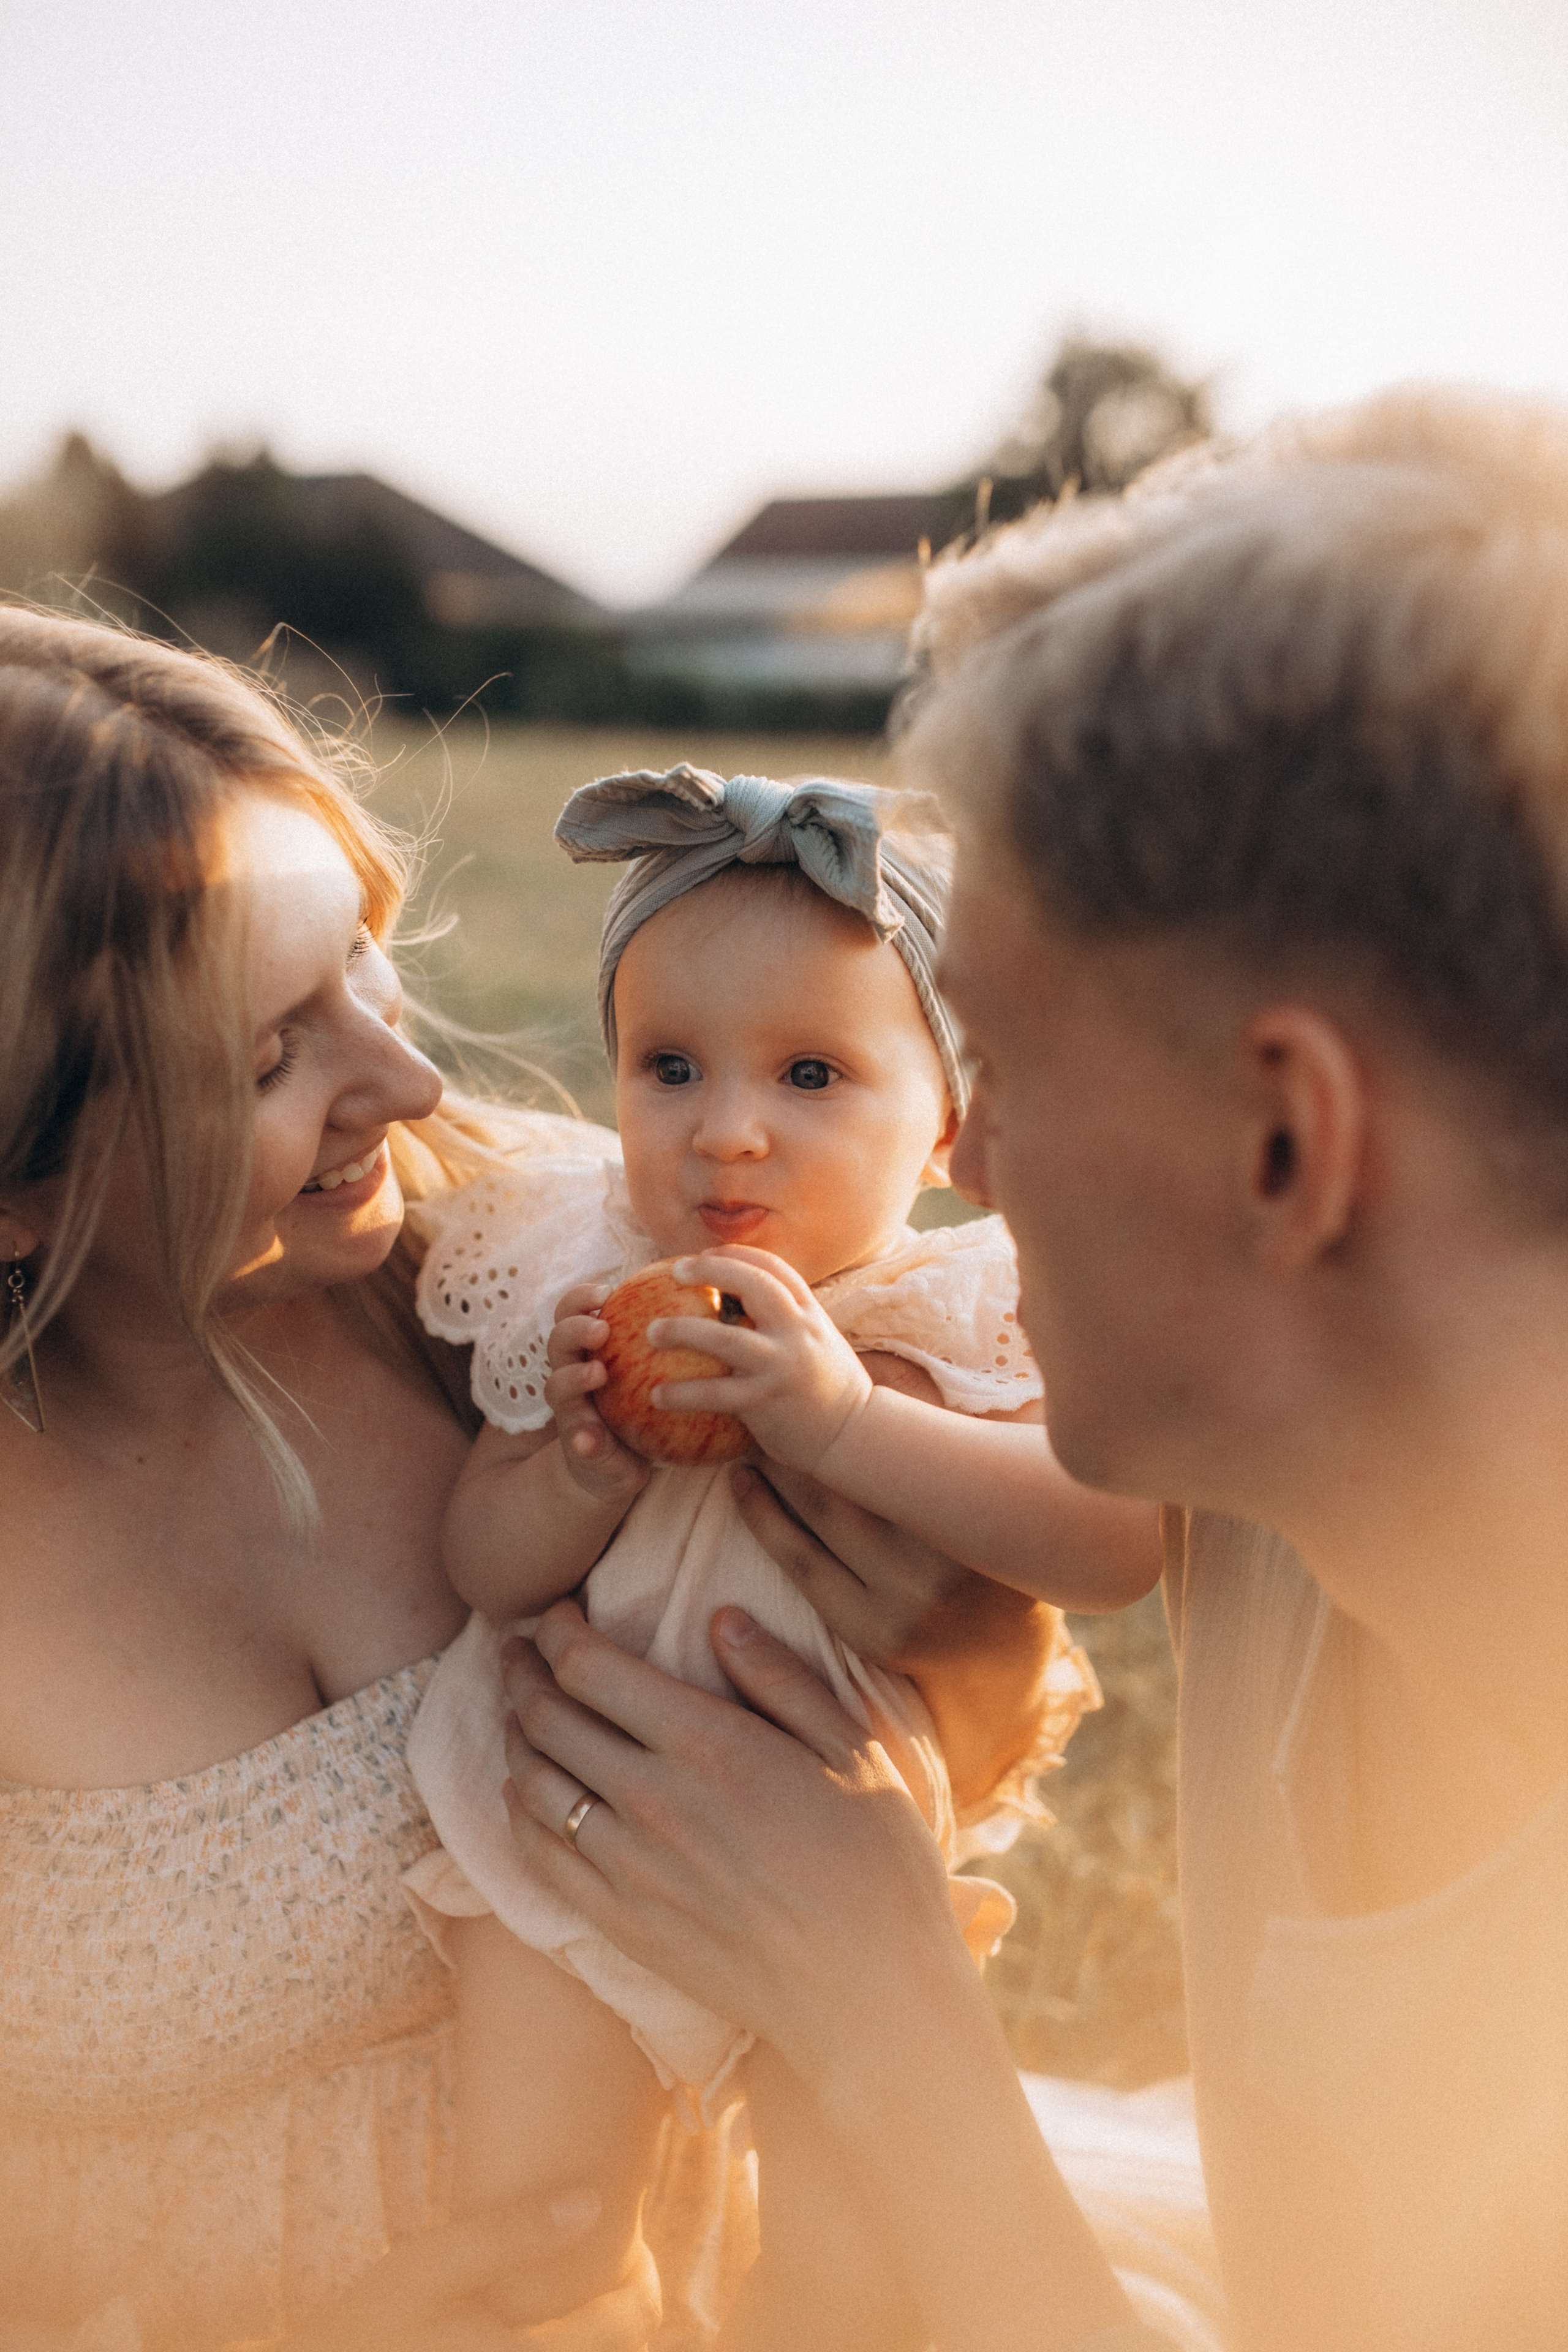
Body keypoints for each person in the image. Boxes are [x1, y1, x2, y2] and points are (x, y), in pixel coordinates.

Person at [497, 387, 1568, 2352]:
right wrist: (960, 1712)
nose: (965, 1169)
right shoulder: (1299, 1472)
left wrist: (883, 2003)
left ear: (1287, 1149)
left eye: (1006, 1066)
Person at [0, 609, 1071, 2351]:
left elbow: (972, 1653)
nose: (412, 1081)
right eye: (271, 1055)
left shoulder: (535, 1257)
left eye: (370, 963)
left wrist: (965, 1663)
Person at [401, 765, 1158, 2342]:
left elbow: (1114, 1542)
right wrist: (572, 1462)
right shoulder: (587, 1283)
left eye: (811, 1075)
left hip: (842, 1867)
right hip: (559, 1852)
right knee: (545, 2232)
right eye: (667, 1068)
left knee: (844, 2276)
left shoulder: (947, 1325)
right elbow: (480, 1563)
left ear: (945, 1124)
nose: (728, 1132)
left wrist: (842, 1428)